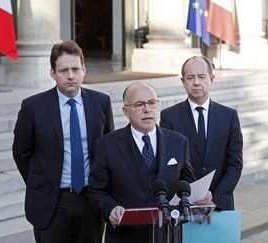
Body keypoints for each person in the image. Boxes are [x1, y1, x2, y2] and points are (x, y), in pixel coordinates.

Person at [12, 40, 114, 243]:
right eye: (63, 70)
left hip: (90, 201)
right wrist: (40, 182)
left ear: (84, 70)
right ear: (53, 73)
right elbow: (21, 152)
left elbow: (107, 148)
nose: (70, 76)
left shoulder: (101, 102)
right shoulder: (33, 107)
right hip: (51, 204)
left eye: (75, 69)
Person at [88, 82, 211, 243]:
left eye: (152, 103)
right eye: (139, 104)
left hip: (169, 235)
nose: (147, 109)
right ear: (126, 111)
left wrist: (200, 198)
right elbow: (96, 191)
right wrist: (110, 208)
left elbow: (187, 183)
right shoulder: (107, 145)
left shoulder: (178, 142)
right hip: (125, 236)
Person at [160, 56, 243, 211]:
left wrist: (214, 199)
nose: (196, 82)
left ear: (212, 79)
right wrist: (192, 198)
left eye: (202, 77)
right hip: (184, 205)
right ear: (183, 81)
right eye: (190, 77)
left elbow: (235, 164)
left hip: (220, 205)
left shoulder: (229, 116)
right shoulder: (169, 117)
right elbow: (169, 165)